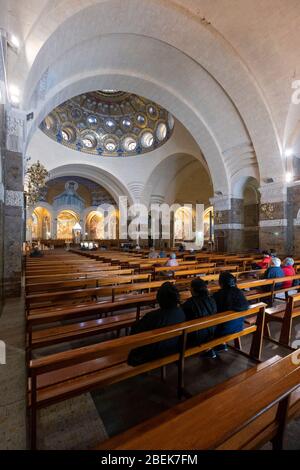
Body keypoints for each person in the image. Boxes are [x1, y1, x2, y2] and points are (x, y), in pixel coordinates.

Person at [127, 282, 185, 366]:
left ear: (159, 299)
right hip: (172, 348)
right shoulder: (181, 312)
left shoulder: (152, 316)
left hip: (153, 354)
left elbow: (134, 334)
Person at [213, 272, 249, 351]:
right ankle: (221, 344)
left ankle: (216, 345)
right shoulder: (239, 292)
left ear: (221, 283)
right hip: (239, 326)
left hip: (223, 330)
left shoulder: (218, 295)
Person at [182, 279, 217, 347]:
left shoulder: (189, 303)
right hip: (212, 332)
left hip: (196, 337)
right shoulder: (211, 300)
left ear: (193, 289)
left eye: (190, 288)